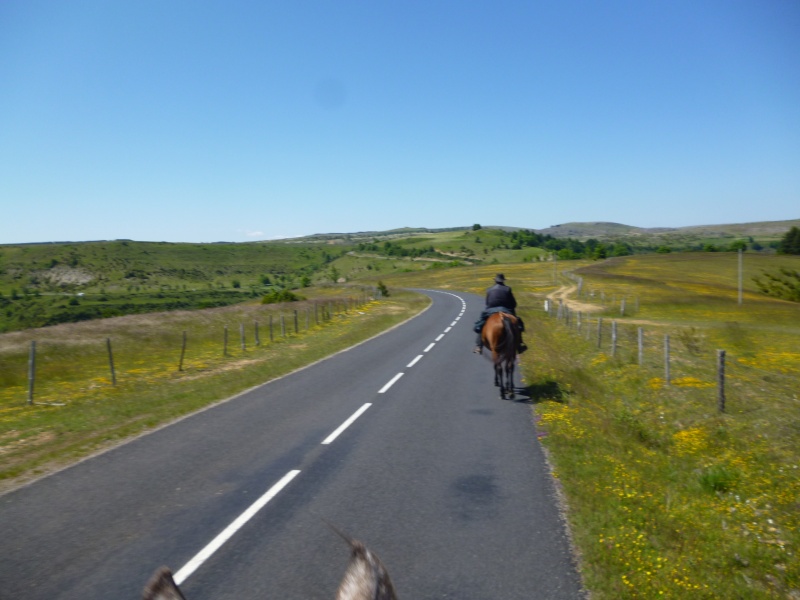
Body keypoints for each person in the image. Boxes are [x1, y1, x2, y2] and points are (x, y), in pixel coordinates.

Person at [474, 274, 527, 354]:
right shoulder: (508, 289)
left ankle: (479, 346)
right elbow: (513, 304)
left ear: (495, 280)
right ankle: (519, 345)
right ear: (503, 281)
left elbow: (487, 303)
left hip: (491, 311)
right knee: (518, 324)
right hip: (506, 310)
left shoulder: (489, 290)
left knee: (482, 324)